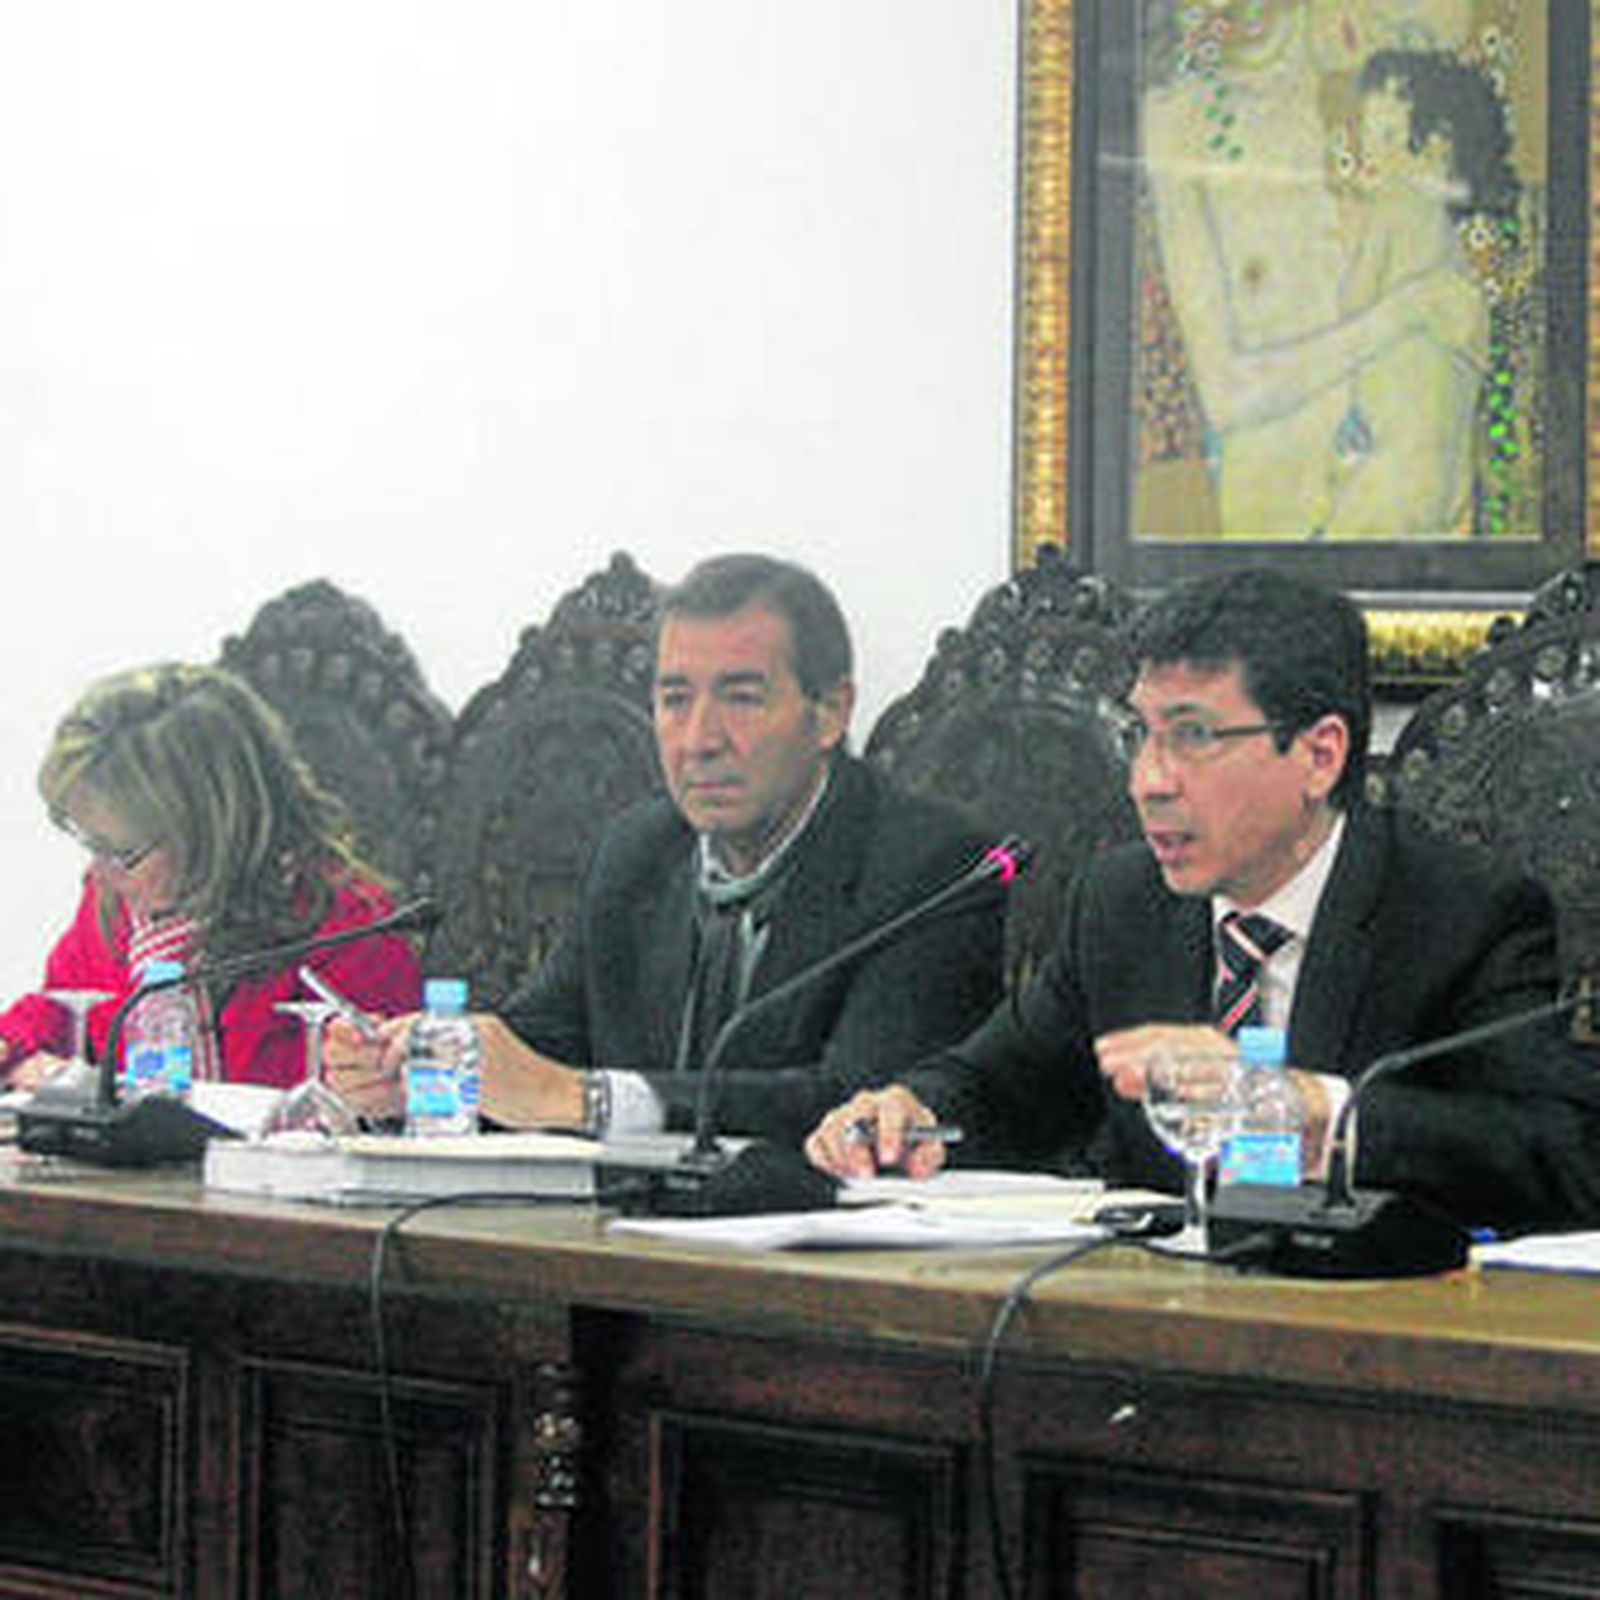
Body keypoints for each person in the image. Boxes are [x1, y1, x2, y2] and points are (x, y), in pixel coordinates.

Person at [808, 569, 1600, 1235]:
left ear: (1319, 755)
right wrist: (910, 1115)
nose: (1149, 780)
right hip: (1157, 1325)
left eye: (1192, 737)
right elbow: (1000, 1086)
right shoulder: (1120, 904)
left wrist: (1319, 1113)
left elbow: (1564, 1156)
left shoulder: (1460, 912)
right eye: (1143, 734)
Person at [327, 553, 1007, 1142]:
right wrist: (422, 1073)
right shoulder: (639, 849)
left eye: (740, 698)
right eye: (675, 699)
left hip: (823, 1279)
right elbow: (545, 1043)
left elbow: (858, 1104)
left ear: (829, 711)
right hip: (622, 1266)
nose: (698, 739)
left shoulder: (931, 869)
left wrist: (586, 1100)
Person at [0, 663, 421, 1090]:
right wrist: (18, 1056)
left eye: (123, 852)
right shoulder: (115, 903)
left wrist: (375, 1086)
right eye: (92, 845)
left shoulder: (351, 930)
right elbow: (52, 1013)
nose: (99, 873)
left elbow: (391, 1107)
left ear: (213, 830)